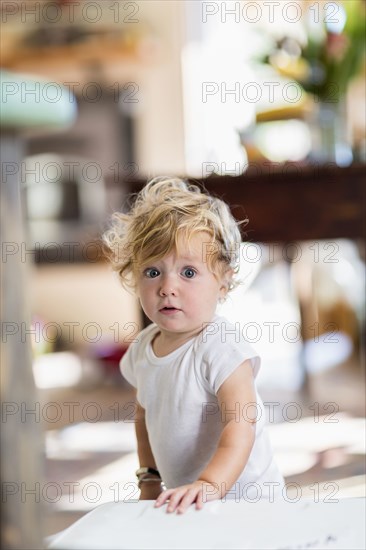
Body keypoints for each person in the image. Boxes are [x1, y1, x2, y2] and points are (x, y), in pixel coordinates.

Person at [102, 177, 284, 514]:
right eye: (153, 272)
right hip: (190, 498)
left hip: (249, 501)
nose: (168, 287)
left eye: (188, 273)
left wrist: (209, 483)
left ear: (224, 282)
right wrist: (149, 479)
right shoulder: (143, 349)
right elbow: (145, 415)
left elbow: (242, 421)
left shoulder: (220, 345)